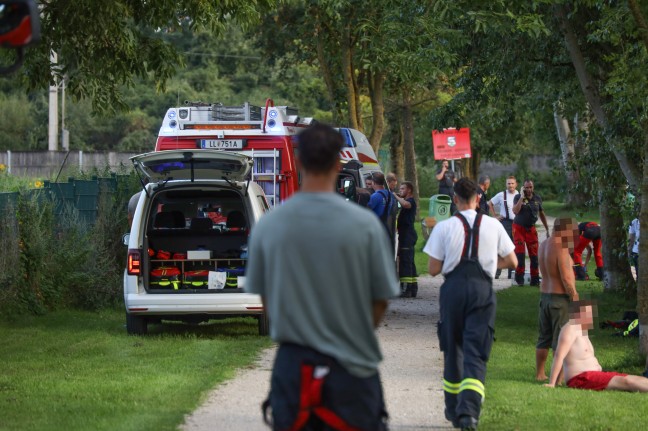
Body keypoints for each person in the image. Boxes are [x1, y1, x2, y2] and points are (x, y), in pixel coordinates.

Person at [245, 123, 399, 431]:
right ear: (338, 163)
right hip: (353, 368)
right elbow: (379, 300)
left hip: (294, 369)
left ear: (300, 161)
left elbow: (266, 301)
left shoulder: (270, 225)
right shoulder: (364, 226)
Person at [424, 178, 517, 430]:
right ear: (478, 198)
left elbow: (432, 269)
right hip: (482, 291)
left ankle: (453, 408)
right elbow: (513, 261)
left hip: (453, 290)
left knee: (453, 348)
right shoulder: (493, 226)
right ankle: (469, 413)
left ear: (455, 199)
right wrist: (489, 263)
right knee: (475, 350)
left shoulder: (445, 227)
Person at [545, 300, 648, 392]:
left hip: (594, 375)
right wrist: (552, 383)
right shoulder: (570, 328)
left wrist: (559, 381)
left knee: (632, 377)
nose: (590, 318)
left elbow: (567, 357)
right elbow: (560, 355)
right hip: (582, 378)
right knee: (627, 381)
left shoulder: (582, 331)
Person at [535, 217, 580, 382]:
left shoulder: (544, 245)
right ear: (565, 230)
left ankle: (540, 374)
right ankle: (559, 378)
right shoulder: (561, 247)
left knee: (543, 339)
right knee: (561, 340)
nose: (574, 235)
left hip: (545, 297)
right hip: (559, 300)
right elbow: (567, 279)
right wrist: (575, 298)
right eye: (573, 231)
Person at [512, 179, 549, 286]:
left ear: (533, 187)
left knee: (534, 255)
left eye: (530, 187)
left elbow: (542, 214)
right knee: (520, 254)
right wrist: (522, 197)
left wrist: (547, 229)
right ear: (523, 188)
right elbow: (515, 211)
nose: (529, 189)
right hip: (518, 228)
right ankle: (519, 279)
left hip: (531, 229)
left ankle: (535, 279)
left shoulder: (537, 198)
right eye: (526, 187)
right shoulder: (518, 197)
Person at [488, 176, 519, 279]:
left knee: (514, 247)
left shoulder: (519, 195)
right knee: (502, 247)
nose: (510, 185)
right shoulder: (502, 195)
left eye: (512, 183)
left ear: (516, 184)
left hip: (516, 223)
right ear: (506, 184)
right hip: (505, 223)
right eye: (508, 183)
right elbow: (490, 203)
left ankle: (512, 273)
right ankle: (496, 272)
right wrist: (495, 216)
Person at [393, 181, 418, 298]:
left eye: (403, 189)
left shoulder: (410, 201)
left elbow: (405, 204)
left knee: (405, 262)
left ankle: (406, 289)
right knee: (409, 261)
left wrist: (396, 196)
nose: (401, 190)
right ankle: (412, 288)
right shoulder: (406, 200)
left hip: (407, 235)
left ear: (409, 190)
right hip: (405, 235)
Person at [367, 172, 396, 242]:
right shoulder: (390, 195)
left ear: (373, 183)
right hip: (385, 228)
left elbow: (365, 211)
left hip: (375, 229)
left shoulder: (375, 196)